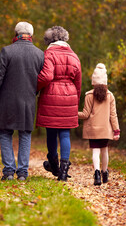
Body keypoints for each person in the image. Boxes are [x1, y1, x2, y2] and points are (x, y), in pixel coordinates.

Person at [0, 22, 44, 181]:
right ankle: (22, 173)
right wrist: (34, 92)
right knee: (25, 135)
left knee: (5, 133)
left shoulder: (7, 51)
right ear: (31, 35)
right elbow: (42, 79)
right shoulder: (39, 54)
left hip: (7, 100)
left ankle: (9, 171)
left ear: (16, 33)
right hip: (28, 101)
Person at [36, 26, 82, 181]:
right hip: (70, 95)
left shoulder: (48, 54)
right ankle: (64, 170)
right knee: (65, 133)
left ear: (50, 40)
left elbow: (46, 77)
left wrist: (34, 88)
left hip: (51, 95)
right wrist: (75, 101)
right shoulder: (74, 56)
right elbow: (78, 82)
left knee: (51, 132)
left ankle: (54, 165)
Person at [78, 63, 120, 186]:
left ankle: (96, 174)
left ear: (94, 81)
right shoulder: (110, 96)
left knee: (95, 152)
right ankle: (104, 173)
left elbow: (85, 114)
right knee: (104, 151)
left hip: (93, 130)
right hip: (106, 130)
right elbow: (113, 115)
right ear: (105, 81)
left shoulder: (89, 95)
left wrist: (73, 113)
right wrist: (116, 130)